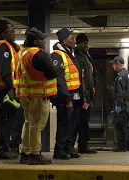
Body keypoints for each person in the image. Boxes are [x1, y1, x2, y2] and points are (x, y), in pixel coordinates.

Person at [15, 27, 59, 165]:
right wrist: (59, 70)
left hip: (24, 94)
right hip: (38, 95)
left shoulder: (20, 53)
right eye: (41, 39)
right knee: (37, 124)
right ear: (36, 41)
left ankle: (25, 152)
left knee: (28, 122)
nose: (43, 42)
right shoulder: (39, 54)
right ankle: (35, 153)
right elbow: (52, 73)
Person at [0, 20, 23, 159]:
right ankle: (3, 149)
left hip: (8, 88)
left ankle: (10, 147)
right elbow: (5, 71)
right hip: (5, 90)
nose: (13, 33)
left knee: (13, 117)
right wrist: (11, 89)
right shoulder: (3, 47)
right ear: (4, 33)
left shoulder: (10, 46)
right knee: (7, 118)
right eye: (11, 31)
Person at [50, 27, 83, 160]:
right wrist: (67, 98)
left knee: (72, 124)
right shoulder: (57, 55)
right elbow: (60, 79)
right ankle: (59, 150)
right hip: (65, 96)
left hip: (74, 94)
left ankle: (68, 148)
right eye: (71, 38)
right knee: (64, 123)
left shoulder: (71, 53)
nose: (74, 40)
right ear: (64, 41)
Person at [72, 33, 98, 154]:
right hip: (80, 95)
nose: (87, 45)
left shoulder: (86, 55)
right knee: (76, 122)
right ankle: (70, 146)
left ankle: (83, 145)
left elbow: (90, 73)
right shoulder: (75, 55)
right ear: (79, 43)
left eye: (87, 43)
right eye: (84, 43)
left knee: (84, 121)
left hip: (87, 94)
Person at [110, 56, 129, 152]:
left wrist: (118, 105)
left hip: (121, 103)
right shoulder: (128, 74)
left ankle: (122, 146)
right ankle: (128, 145)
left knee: (119, 124)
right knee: (125, 125)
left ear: (118, 63)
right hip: (127, 103)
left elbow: (120, 92)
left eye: (113, 64)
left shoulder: (120, 76)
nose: (112, 66)